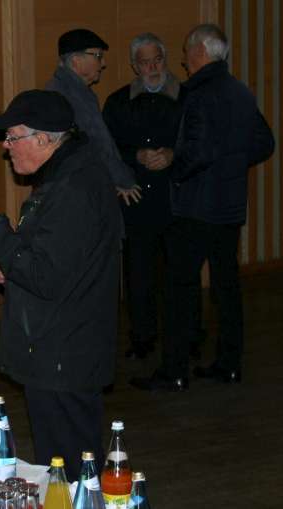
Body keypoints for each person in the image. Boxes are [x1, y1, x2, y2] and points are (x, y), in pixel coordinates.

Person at [0, 90, 122, 481]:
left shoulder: (73, 188)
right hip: (60, 347)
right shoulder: (66, 177)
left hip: (65, 353)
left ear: (44, 138)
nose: (6, 147)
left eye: (13, 137)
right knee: (63, 465)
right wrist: (9, 266)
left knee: (71, 470)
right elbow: (55, 262)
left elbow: (46, 277)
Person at [131, 24, 274, 392]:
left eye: (186, 51)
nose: (183, 59)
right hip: (229, 206)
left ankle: (174, 370)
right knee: (227, 288)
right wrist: (231, 164)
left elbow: (197, 151)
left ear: (200, 52)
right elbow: (264, 142)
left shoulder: (198, 93)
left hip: (196, 208)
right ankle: (229, 364)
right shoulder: (241, 92)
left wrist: (172, 166)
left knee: (178, 289)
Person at [102, 33, 184, 359]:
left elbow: (201, 143)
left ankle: (184, 338)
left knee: (179, 274)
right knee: (138, 275)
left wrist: (173, 155)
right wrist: (136, 155)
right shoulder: (118, 102)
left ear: (166, 60)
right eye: (145, 62)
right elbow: (106, 150)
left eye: (157, 60)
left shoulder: (187, 98)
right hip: (134, 201)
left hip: (177, 200)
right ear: (134, 66)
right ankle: (142, 338)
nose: (152, 68)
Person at [46, 28, 140, 206]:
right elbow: (95, 144)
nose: (103, 63)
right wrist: (123, 178)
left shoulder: (70, 90)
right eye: (98, 56)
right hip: (77, 191)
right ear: (76, 60)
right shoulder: (70, 96)